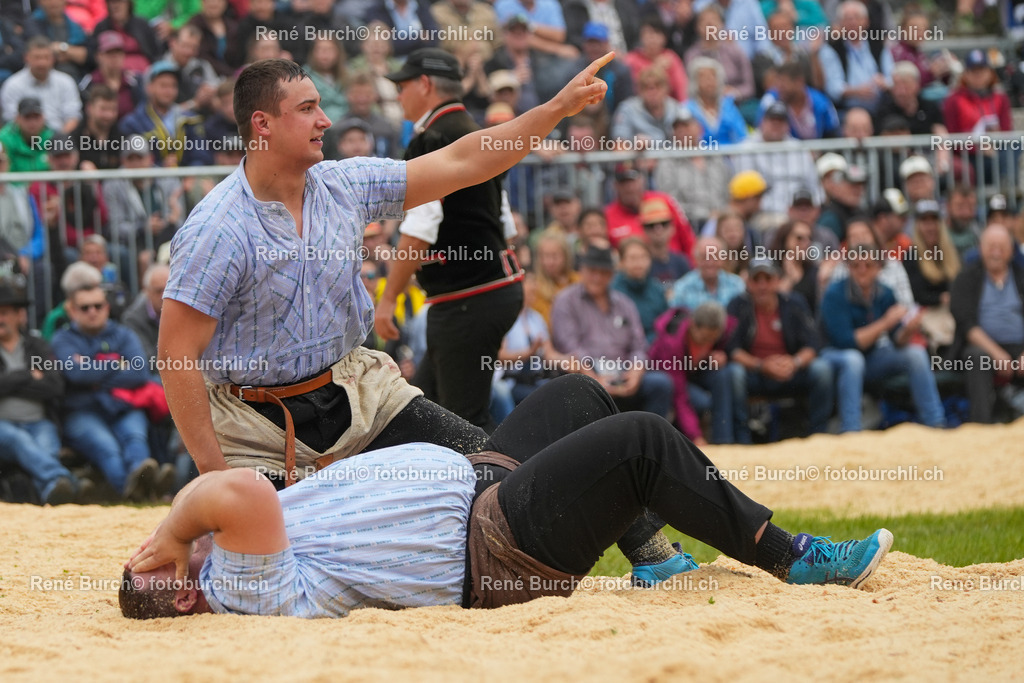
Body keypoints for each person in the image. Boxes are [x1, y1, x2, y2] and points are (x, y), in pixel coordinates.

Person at [160, 54, 614, 484]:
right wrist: (216, 480)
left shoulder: (346, 184)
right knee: (270, 551)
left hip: (360, 392)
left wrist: (558, 107)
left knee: (491, 473)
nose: (326, 120)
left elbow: (464, 159)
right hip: (254, 427)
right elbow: (175, 358)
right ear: (263, 124)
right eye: (308, 108)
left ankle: (647, 549)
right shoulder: (215, 228)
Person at [121, 375, 895, 619]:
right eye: (147, 569)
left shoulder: (222, 557)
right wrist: (169, 535)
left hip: (478, 489)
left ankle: (654, 556)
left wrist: (173, 548)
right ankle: (792, 556)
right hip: (493, 551)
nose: (146, 556)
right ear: (181, 598)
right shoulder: (236, 587)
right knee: (643, 439)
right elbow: (241, 488)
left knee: (579, 393)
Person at [373, 48, 524, 433]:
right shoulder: (472, 131)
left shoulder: (433, 137)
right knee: (427, 412)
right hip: (483, 291)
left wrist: (388, 299)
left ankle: (503, 490)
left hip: (467, 298)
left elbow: (420, 227)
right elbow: (505, 220)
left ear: (424, 85)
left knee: (462, 422)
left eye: (402, 85)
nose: (397, 94)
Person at [51, 281, 174, 499]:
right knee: (107, 447)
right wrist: (115, 363)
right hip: (82, 411)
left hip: (124, 406)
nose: (92, 312)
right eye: (85, 307)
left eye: (98, 306)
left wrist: (91, 366)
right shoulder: (62, 339)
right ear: (72, 310)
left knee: (135, 438)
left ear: (107, 307)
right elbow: (76, 374)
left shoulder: (123, 334)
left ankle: (143, 485)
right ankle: (138, 494)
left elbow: (139, 372)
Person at [819, 245, 946, 433]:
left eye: (868, 265)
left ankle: (936, 422)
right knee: (853, 360)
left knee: (916, 353)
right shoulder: (835, 294)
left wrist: (908, 330)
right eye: (856, 266)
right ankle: (851, 431)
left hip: (870, 357)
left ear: (879, 268)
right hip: (833, 357)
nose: (862, 270)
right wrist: (886, 322)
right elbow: (848, 342)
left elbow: (897, 338)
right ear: (848, 268)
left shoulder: (885, 292)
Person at [551, 244, 673, 418]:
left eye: (603, 272)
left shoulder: (624, 303)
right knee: (578, 385)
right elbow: (568, 347)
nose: (597, 277)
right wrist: (593, 376)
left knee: (661, 384)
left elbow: (639, 345)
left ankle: (650, 440)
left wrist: (636, 371)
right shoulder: (566, 301)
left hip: (622, 372)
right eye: (592, 271)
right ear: (582, 271)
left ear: (612, 275)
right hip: (585, 373)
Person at [726, 258, 833, 443]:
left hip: (790, 369)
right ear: (748, 283)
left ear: (776, 281)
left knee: (822, 369)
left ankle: (819, 436)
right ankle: (742, 440)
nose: (762, 286)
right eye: (756, 280)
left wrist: (795, 362)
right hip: (756, 372)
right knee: (733, 373)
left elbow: (813, 343)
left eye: (767, 279)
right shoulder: (737, 305)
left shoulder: (794, 302)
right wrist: (761, 365)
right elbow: (732, 349)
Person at [0, 276, 83, 505]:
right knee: (19, 440)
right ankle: (65, 480)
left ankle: (51, 493)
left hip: (39, 421)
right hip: (3, 426)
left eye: (5, 312)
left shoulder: (37, 346)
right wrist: (27, 375)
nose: (0, 318)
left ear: (19, 315)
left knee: (46, 450)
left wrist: (8, 383)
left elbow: (55, 385)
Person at [949, 225, 1024, 423]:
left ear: (1011, 250)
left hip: (1020, 348)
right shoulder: (965, 277)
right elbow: (966, 324)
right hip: (981, 347)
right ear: (981, 248)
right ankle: (981, 426)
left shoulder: (1021, 275)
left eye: (1001, 246)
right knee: (977, 358)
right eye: (991, 246)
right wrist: (996, 354)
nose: (996, 252)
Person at [648, 300, 735, 444]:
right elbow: (679, 394)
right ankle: (683, 442)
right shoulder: (671, 344)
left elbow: (733, 327)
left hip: (693, 373)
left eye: (712, 339)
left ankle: (724, 440)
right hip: (669, 379)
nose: (707, 343)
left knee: (725, 374)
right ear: (692, 326)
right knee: (702, 402)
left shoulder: (721, 328)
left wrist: (721, 352)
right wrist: (695, 436)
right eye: (704, 338)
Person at [0, 36, 82, 134]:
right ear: (26, 57)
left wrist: (59, 141)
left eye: (46, 57)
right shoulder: (12, 85)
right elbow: (12, 120)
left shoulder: (66, 82)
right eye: (37, 57)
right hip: (24, 141)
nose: (42, 63)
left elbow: (73, 116)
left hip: (60, 139)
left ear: (53, 59)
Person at [611, 238, 668, 343]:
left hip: (654, 347)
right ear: (622, 262)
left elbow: (665, 324)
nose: (639, 263)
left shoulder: (657, 289)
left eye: (643, 257)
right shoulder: (612, 290)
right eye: (633, 258)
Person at [669, 236, 746, 310]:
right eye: (704, 257)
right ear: (695, 259)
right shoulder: (682, 288)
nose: (710, 263)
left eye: (715, 256)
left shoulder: (737, 285)